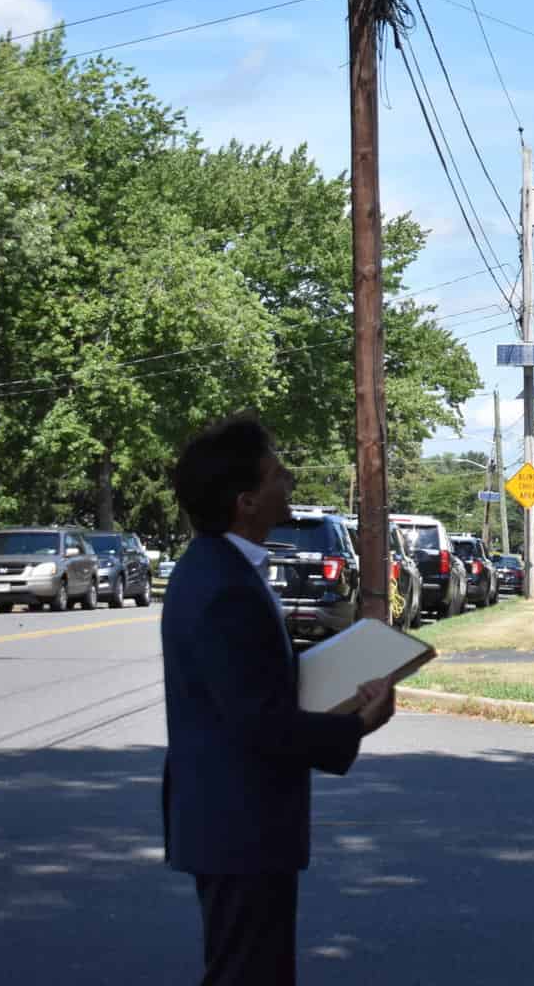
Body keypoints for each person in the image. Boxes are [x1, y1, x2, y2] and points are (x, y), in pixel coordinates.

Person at [161, 415, 396, 986]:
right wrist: (358, 724)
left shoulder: (222, 570)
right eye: (276, 474)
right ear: (246, 501)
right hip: (237, 822)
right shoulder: (223, 587)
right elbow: (255, 722)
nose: (288, 481)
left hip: (233, 820)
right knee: (248, 973)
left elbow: (256, 689)